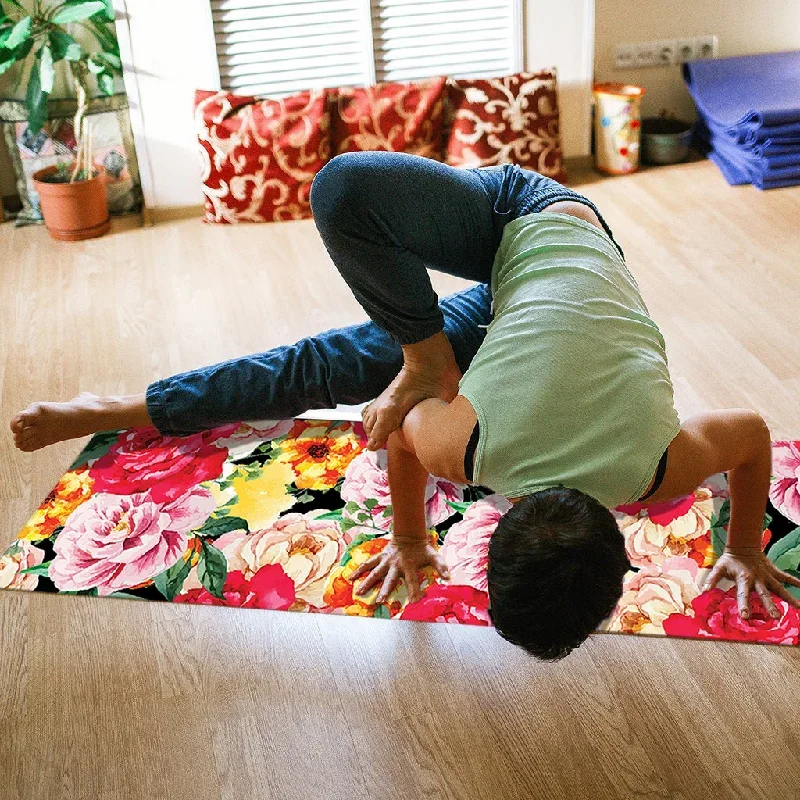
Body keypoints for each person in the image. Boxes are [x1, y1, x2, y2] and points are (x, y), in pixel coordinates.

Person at [11, 152, 800, 660]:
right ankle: (423, 354)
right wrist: (413, 539)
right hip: (530, 222)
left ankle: (118, 408)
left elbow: (751, 435)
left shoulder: (663, 471)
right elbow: (401, 447)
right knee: (343, 243)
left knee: (332, 363)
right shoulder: (471, 447)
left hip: (517, 322)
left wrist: (745, 541)